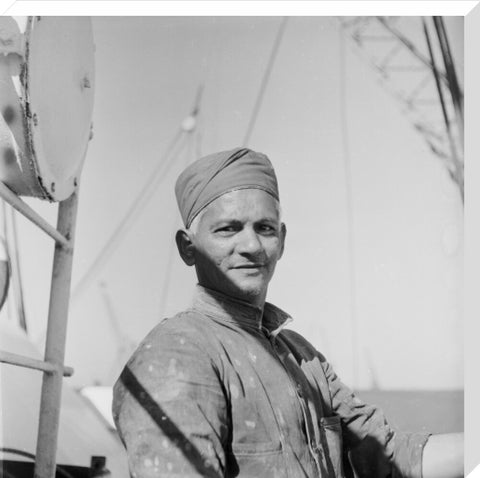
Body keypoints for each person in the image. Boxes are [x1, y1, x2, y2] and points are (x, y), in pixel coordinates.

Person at [112, 147, 463, 478]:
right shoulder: (178, 354)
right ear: (188, 248)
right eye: (228, 229)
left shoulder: (302, 357)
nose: (251, 246)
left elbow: (387, 457)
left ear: (281, 240)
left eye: (264, 228)